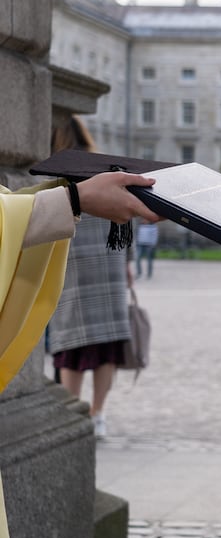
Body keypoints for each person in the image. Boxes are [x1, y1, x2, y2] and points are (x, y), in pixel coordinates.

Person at [1, 152, 159, 538]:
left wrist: (70, 199)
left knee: (88, 349)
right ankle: (95, 412)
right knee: (89, 349)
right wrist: (72, 200)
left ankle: (95, 411)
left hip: (88, 264)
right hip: (89, 259)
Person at [46, 117, 135, 438]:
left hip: (71, 266)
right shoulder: (105, 168)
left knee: (71, 346)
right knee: (105, 344)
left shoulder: (56, 174)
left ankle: (74, 415)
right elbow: (127, 215)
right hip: (108, 263)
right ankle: (98, 415)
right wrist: (127, 261)